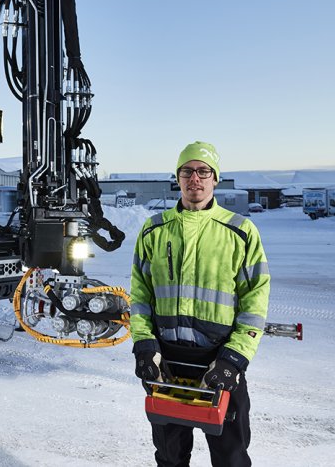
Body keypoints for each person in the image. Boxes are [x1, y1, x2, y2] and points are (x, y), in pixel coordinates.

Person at [129, 141, 270, 467]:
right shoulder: (154, 230)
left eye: (203, 171)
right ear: (177, 178)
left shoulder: (240, 232)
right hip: (167, 363)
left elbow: (255, 301)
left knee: (231, 459)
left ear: (215, 178)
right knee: (169, 457)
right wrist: (145, 345)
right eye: (187, 171)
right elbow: (140, 296)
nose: (195, 178)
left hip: (219, 363)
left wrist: (235, 359)